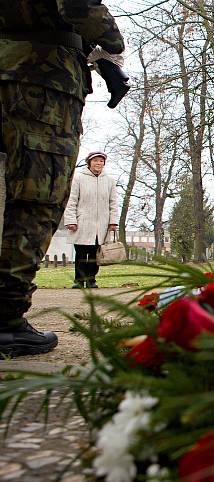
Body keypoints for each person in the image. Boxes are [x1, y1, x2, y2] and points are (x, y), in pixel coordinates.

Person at [0, 1, 124, 357]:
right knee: (37, 196)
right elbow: (77, 6)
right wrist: (111, 44)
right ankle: (5, 317)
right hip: (40, 76)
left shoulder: (108, 180)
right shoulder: (87, 176)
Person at [64, 151, 119, 288]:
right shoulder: (78, 178)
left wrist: (113, 222)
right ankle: (79, 280)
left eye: (101, 161)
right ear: (89, 162)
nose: (98, 163)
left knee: (95, 255)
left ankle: (91, 280)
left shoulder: (109, 181)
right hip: (82, 222)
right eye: (95, 161)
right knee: (81, 254)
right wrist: (71, 220)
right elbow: (71, 201)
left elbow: (113, 203)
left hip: (101, 224)